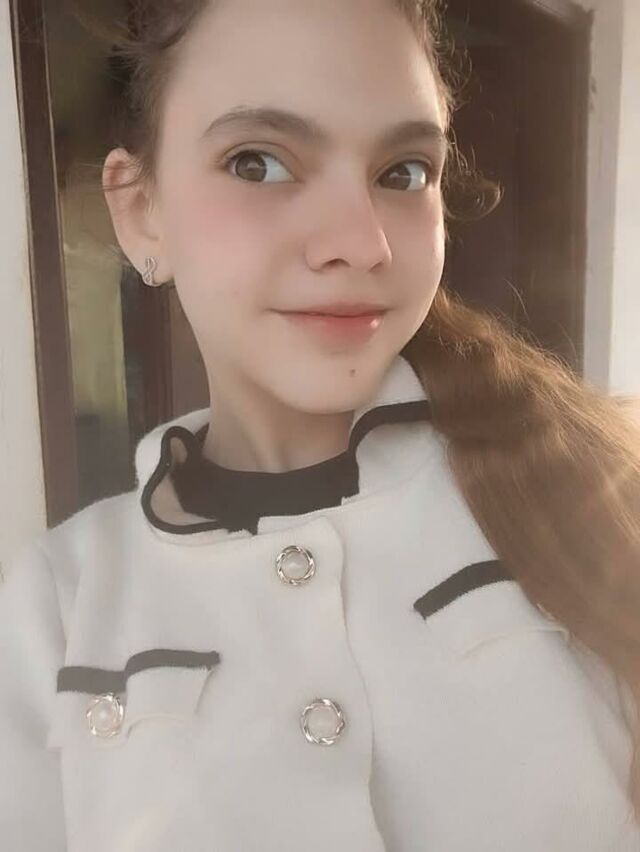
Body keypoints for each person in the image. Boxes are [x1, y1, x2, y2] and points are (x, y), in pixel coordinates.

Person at [2, 0, 640, 849]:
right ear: (140, 210)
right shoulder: (56, 608)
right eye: (258, 162)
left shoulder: (590, 495)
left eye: (403, 172)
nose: (363, 243)